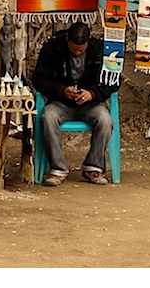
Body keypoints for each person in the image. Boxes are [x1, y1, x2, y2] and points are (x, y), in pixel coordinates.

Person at [32, 22, 115, 186]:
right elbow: (39, 79)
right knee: (48, 117)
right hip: (60, 102)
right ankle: (57, 170)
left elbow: (112, 82)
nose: (77, 52)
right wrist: (61, 90)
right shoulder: (52, 47)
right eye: (73, 49)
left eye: (81, 50)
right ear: (67, 39)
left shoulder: (100, 50)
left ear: (88, 42)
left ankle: (93, 167)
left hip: (90, 104)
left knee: (105, 120)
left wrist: (92, 94)